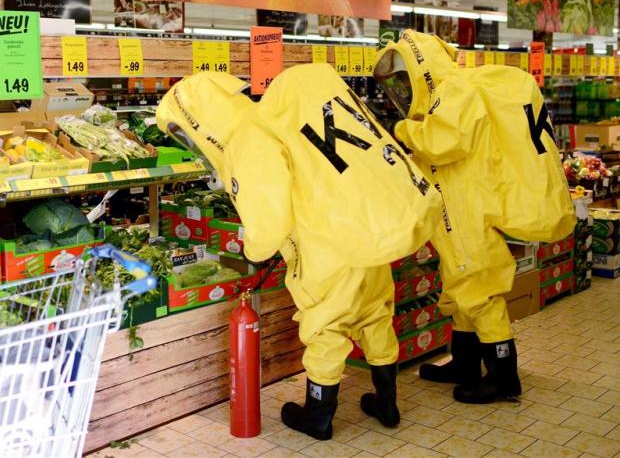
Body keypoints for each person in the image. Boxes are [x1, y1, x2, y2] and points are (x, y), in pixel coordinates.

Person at [156, 66, 441, 439]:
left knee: (325, 326)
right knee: (375, 313)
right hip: (361, 230)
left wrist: (254, 249)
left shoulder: (247, 138)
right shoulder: (274, 114)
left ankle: (319, 416)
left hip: (323, 244)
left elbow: (269, 214)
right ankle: (386, 402)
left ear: (197, 118)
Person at [373, 30, 575, 404]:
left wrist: (402, 129)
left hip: (467, 206)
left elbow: (446, 141)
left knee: (478, 288)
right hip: (456, 202)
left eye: (404, 77)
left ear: (421, 66)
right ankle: (464, 363)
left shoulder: (453, 90)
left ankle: (503, 377)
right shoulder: (445, 92)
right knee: (459, 284)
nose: (400, 89)